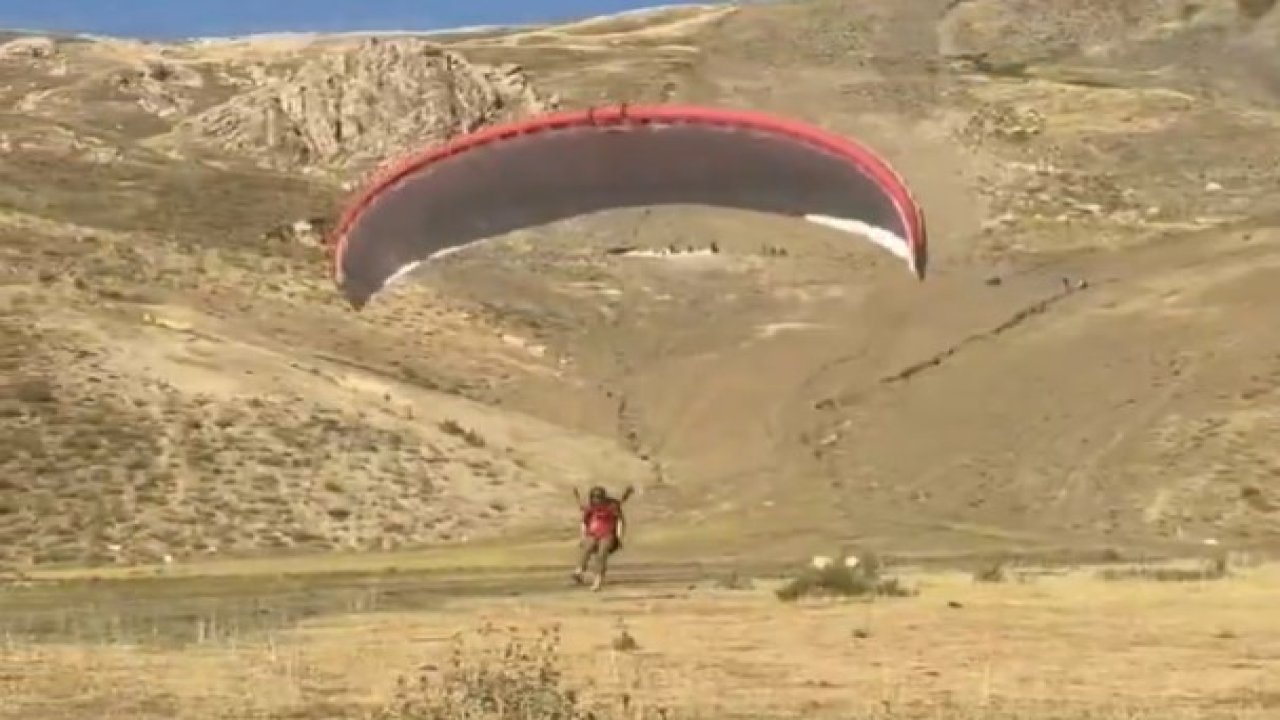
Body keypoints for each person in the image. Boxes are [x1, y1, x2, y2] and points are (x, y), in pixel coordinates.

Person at [572, 485, 629, 591]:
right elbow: (583, 522)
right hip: (593, 534)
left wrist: (619, 536)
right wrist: (583, 536)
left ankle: (598, 580)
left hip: (608, 534)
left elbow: (620, 521)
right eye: (594, 498)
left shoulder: (612, 506)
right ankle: (579, 570)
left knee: (601, 554)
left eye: (598, 498)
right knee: (587, 549)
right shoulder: (590, 508)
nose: (596, 500)